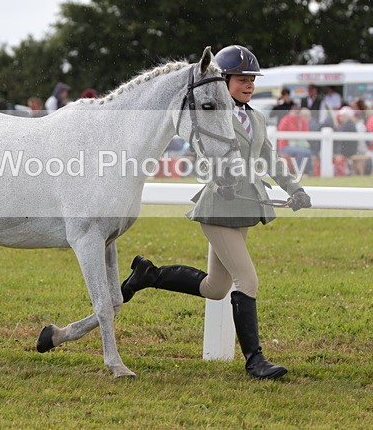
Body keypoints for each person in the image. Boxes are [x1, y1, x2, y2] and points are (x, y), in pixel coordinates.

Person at [120, 45, 312, 381]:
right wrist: (217, 179)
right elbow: (204, 152)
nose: (249, 84)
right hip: (218, 205)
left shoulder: (256, 117)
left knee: (215, 288)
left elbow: (269, 158)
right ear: (223, 81)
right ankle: (255, 361)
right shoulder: (211, 114)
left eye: (252, 79)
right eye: (241, 79)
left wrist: (293, 188)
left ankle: (148, 275)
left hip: (246, 205)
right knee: (247, 280)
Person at [276, 105, 313, 175]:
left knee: (308, 152)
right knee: (300, 152)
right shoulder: (285, 120)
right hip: (285, 146)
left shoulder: (301, 121)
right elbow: (281, 132)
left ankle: (308, 171)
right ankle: (299, 172)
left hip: (298, 145)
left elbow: (306, 132)